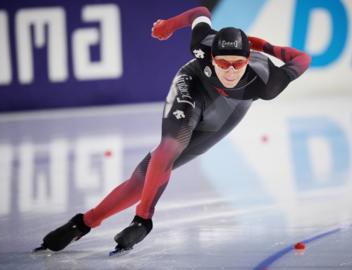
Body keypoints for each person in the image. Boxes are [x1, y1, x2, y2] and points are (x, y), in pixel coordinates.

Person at [34, 6, 311, 252]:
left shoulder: (267, 82)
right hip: (192, 85)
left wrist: (265, 46)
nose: (229, 71)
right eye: (222, 63)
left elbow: (303, 58)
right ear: (210, 56)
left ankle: (85, 222)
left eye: (237, 64)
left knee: (146, 177)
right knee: (166, 150)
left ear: (248, 59)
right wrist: (168, 25)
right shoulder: (202, 44)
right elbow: (199, 12)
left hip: (229, 110)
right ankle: (137, 220)